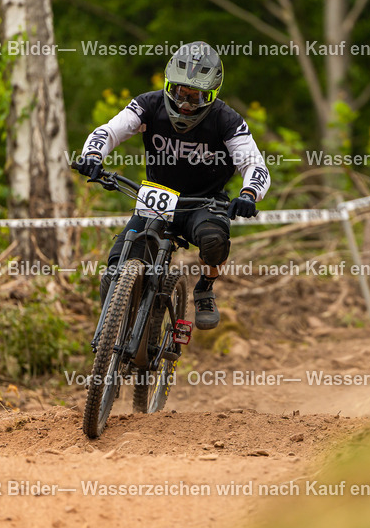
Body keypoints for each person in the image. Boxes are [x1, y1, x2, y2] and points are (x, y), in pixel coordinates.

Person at [73, 41, 270, 330]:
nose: (186, 104)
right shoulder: (148, 105)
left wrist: (249, 193)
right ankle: (114, 337)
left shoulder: (226, 119)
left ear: (212, 95)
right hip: (157, 199)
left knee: (214, 240)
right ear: (168, 86)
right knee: (115, 269)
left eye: (196, 96)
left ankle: (204, 287)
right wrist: (92, 156)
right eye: (180, 92)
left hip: (203, 203)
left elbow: (254, 163)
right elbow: (109, 131)